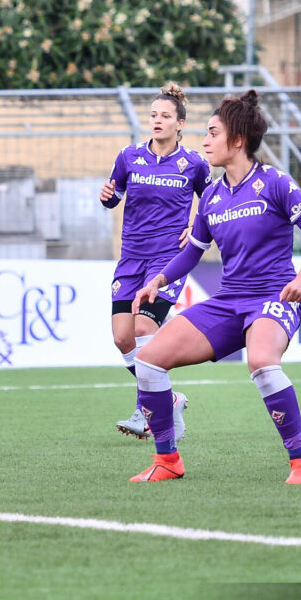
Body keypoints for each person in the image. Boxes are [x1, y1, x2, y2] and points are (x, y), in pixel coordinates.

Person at [130, 89, 301, 484]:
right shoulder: (212, 198)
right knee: (148, 360)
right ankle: (167, 459)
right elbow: (192, 254)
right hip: (229, 301)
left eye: (212, 133)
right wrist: (158, 279)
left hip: (273, 297)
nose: (204, 141)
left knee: (261, 362)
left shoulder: (275, 183)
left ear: (237, 140)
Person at [100, 82, 211, 440]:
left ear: (180, 123)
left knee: (144, 329)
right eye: (153, 115)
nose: (157, 120)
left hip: (167, 259)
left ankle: (145, 407)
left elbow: (213, 202)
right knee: (122, 338)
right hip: (131, 257)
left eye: (165, 116)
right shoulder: (129, 156)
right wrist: (107, 197)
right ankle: (170, 398)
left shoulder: (193, 163)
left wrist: (196, 224)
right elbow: (113, 197)